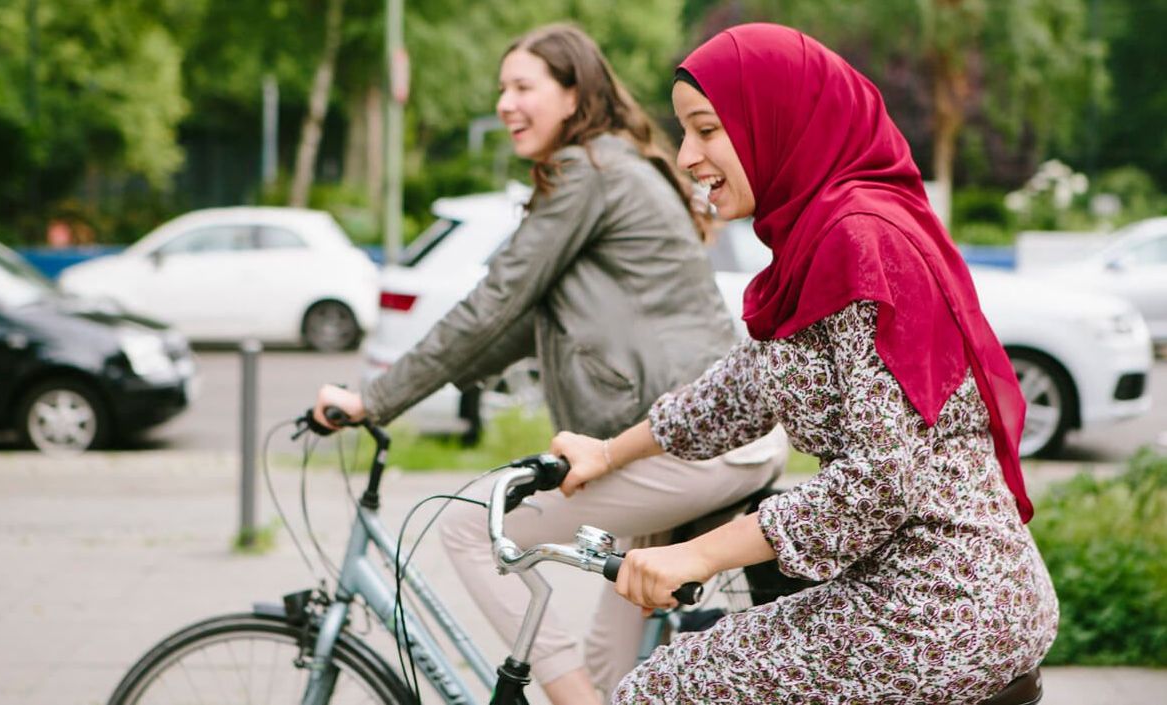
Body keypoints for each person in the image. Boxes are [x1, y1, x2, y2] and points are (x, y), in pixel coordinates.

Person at [550, 24, 1059, 704]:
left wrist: (699, 552)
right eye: (684, 132)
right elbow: (742, 389)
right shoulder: (818, 240)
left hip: (938, 606)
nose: (687, 155)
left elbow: (880, 480)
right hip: (930, 593)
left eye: (706, 130)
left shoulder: (859, 241)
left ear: (776, 120)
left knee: (665, 685)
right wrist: (607, 452)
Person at [313, 24, 787, 705]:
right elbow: (516, 327)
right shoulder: (610, 165)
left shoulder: (588, 172)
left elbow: (492, 302)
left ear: (572, 95)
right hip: (697, 438)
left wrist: (376, 398)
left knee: (468, 525)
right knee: (606, 659)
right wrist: (422, 386)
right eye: (501, 88)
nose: (506, 103)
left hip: (690, 443)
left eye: (523, 87)